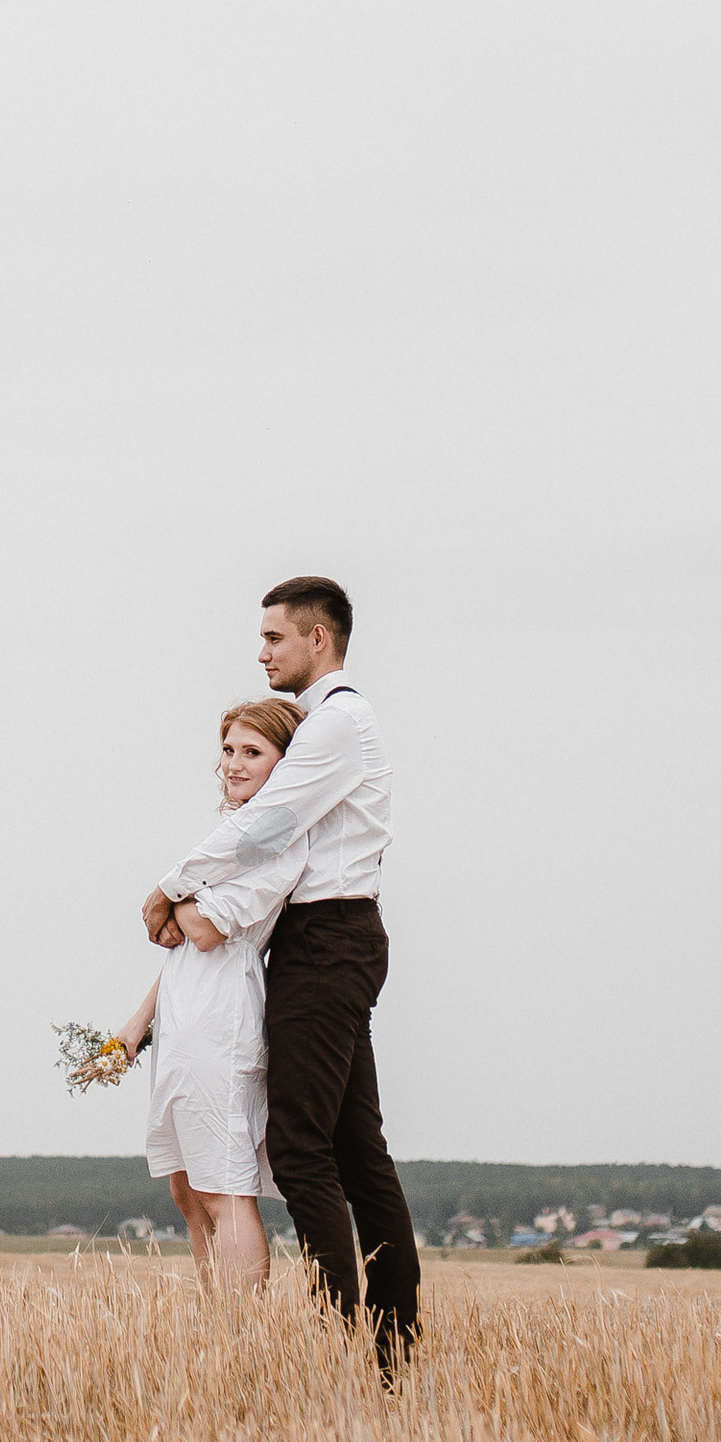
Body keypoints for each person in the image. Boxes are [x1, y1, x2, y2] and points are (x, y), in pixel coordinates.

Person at [141, 575, 420, 1375]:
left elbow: (266, 826)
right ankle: (389, 1348)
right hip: (325, 939)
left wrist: (167, 885)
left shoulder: (337, 723)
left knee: (303, 1152)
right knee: (357, 1150)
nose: (261, 651)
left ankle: (352, 1344)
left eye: (274, 638)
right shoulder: (332, 724)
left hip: (328, 941)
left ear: (318, 640)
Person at [111, 698, 305, 1293]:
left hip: (223, 1020)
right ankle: (215, 1313)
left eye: (254, 752)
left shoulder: (280, 839)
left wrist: (176, 898)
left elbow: (203, 928)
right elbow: (177, 945)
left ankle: (244, 1331)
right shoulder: (226, 839)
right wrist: (133, 1030)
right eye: (229, 751)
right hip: (183, 1020)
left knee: (224, 1184)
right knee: (185, 1184)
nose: (235, 765)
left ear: (286, 763)